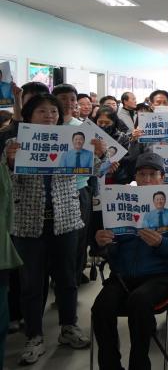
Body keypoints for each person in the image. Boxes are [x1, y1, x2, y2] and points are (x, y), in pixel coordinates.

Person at [4, 94, 102, 365]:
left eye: (53, 112)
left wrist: (99, 154)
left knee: (67, 278)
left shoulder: (71, 141)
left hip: (66, 219)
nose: (49, 116)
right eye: (42, 111)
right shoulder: (15, 144)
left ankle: (69, 327)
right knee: (31, 283)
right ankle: (34, 336)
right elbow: (7, 182)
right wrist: (10, 163)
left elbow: (91, 172)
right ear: (29, 115)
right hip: (28, 223)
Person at [91, 152, 168, 370]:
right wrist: (103, 241)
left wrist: (161, 243)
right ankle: (110, 365)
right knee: (101, 307)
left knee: (139, 301)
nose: (147, 179)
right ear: (135, 176)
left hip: (159, 275)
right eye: (142, 174)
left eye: (152, 174)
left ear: (162, 178)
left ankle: (139, 363)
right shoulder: (121, 202)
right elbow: (111, 248)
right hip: (122, 275)